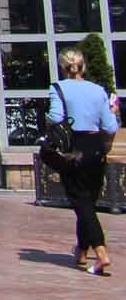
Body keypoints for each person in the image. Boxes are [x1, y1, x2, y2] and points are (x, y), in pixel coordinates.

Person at [49, 47, 119, 275]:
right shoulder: (98, 90)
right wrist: (112, 111)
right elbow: (110, 126)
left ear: (63, 66)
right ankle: (81, 251)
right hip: (95, 147)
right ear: (83, 66)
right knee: (87, 201)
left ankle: (100, 253)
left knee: (82, 202)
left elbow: (56, 118)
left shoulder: (58, 88)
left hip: (73, 148)